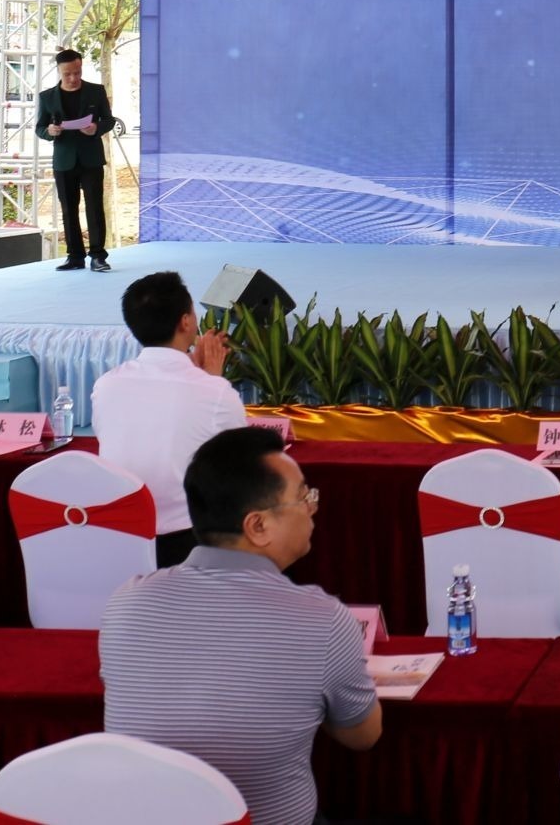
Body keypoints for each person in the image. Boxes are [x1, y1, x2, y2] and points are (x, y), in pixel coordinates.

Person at [100, 427, 380, 825]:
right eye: (303, 497)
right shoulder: (323, 621)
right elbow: (363, 735)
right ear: (258, 526)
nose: (312, 508)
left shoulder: (126, 603)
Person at [90, 271, 244, 567]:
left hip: (120, 538)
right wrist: (212, 380)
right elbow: (236, 461)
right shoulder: (213, 392)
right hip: (188, 542)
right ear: (186, 322)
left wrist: (199, 375)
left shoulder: (106, 385)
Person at [36, 47, 116, 273]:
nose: (73, 78)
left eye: (77, 72)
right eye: (67, 74)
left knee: (95, 207)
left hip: (91, 159)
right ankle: (75, 256)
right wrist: (50, 131)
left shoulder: (96, 91)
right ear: (59, 71)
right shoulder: (47, 97)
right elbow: (40, 128)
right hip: (64, 160)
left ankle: (98, 256)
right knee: (68, 209)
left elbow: (109, 120)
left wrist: (96, 128)